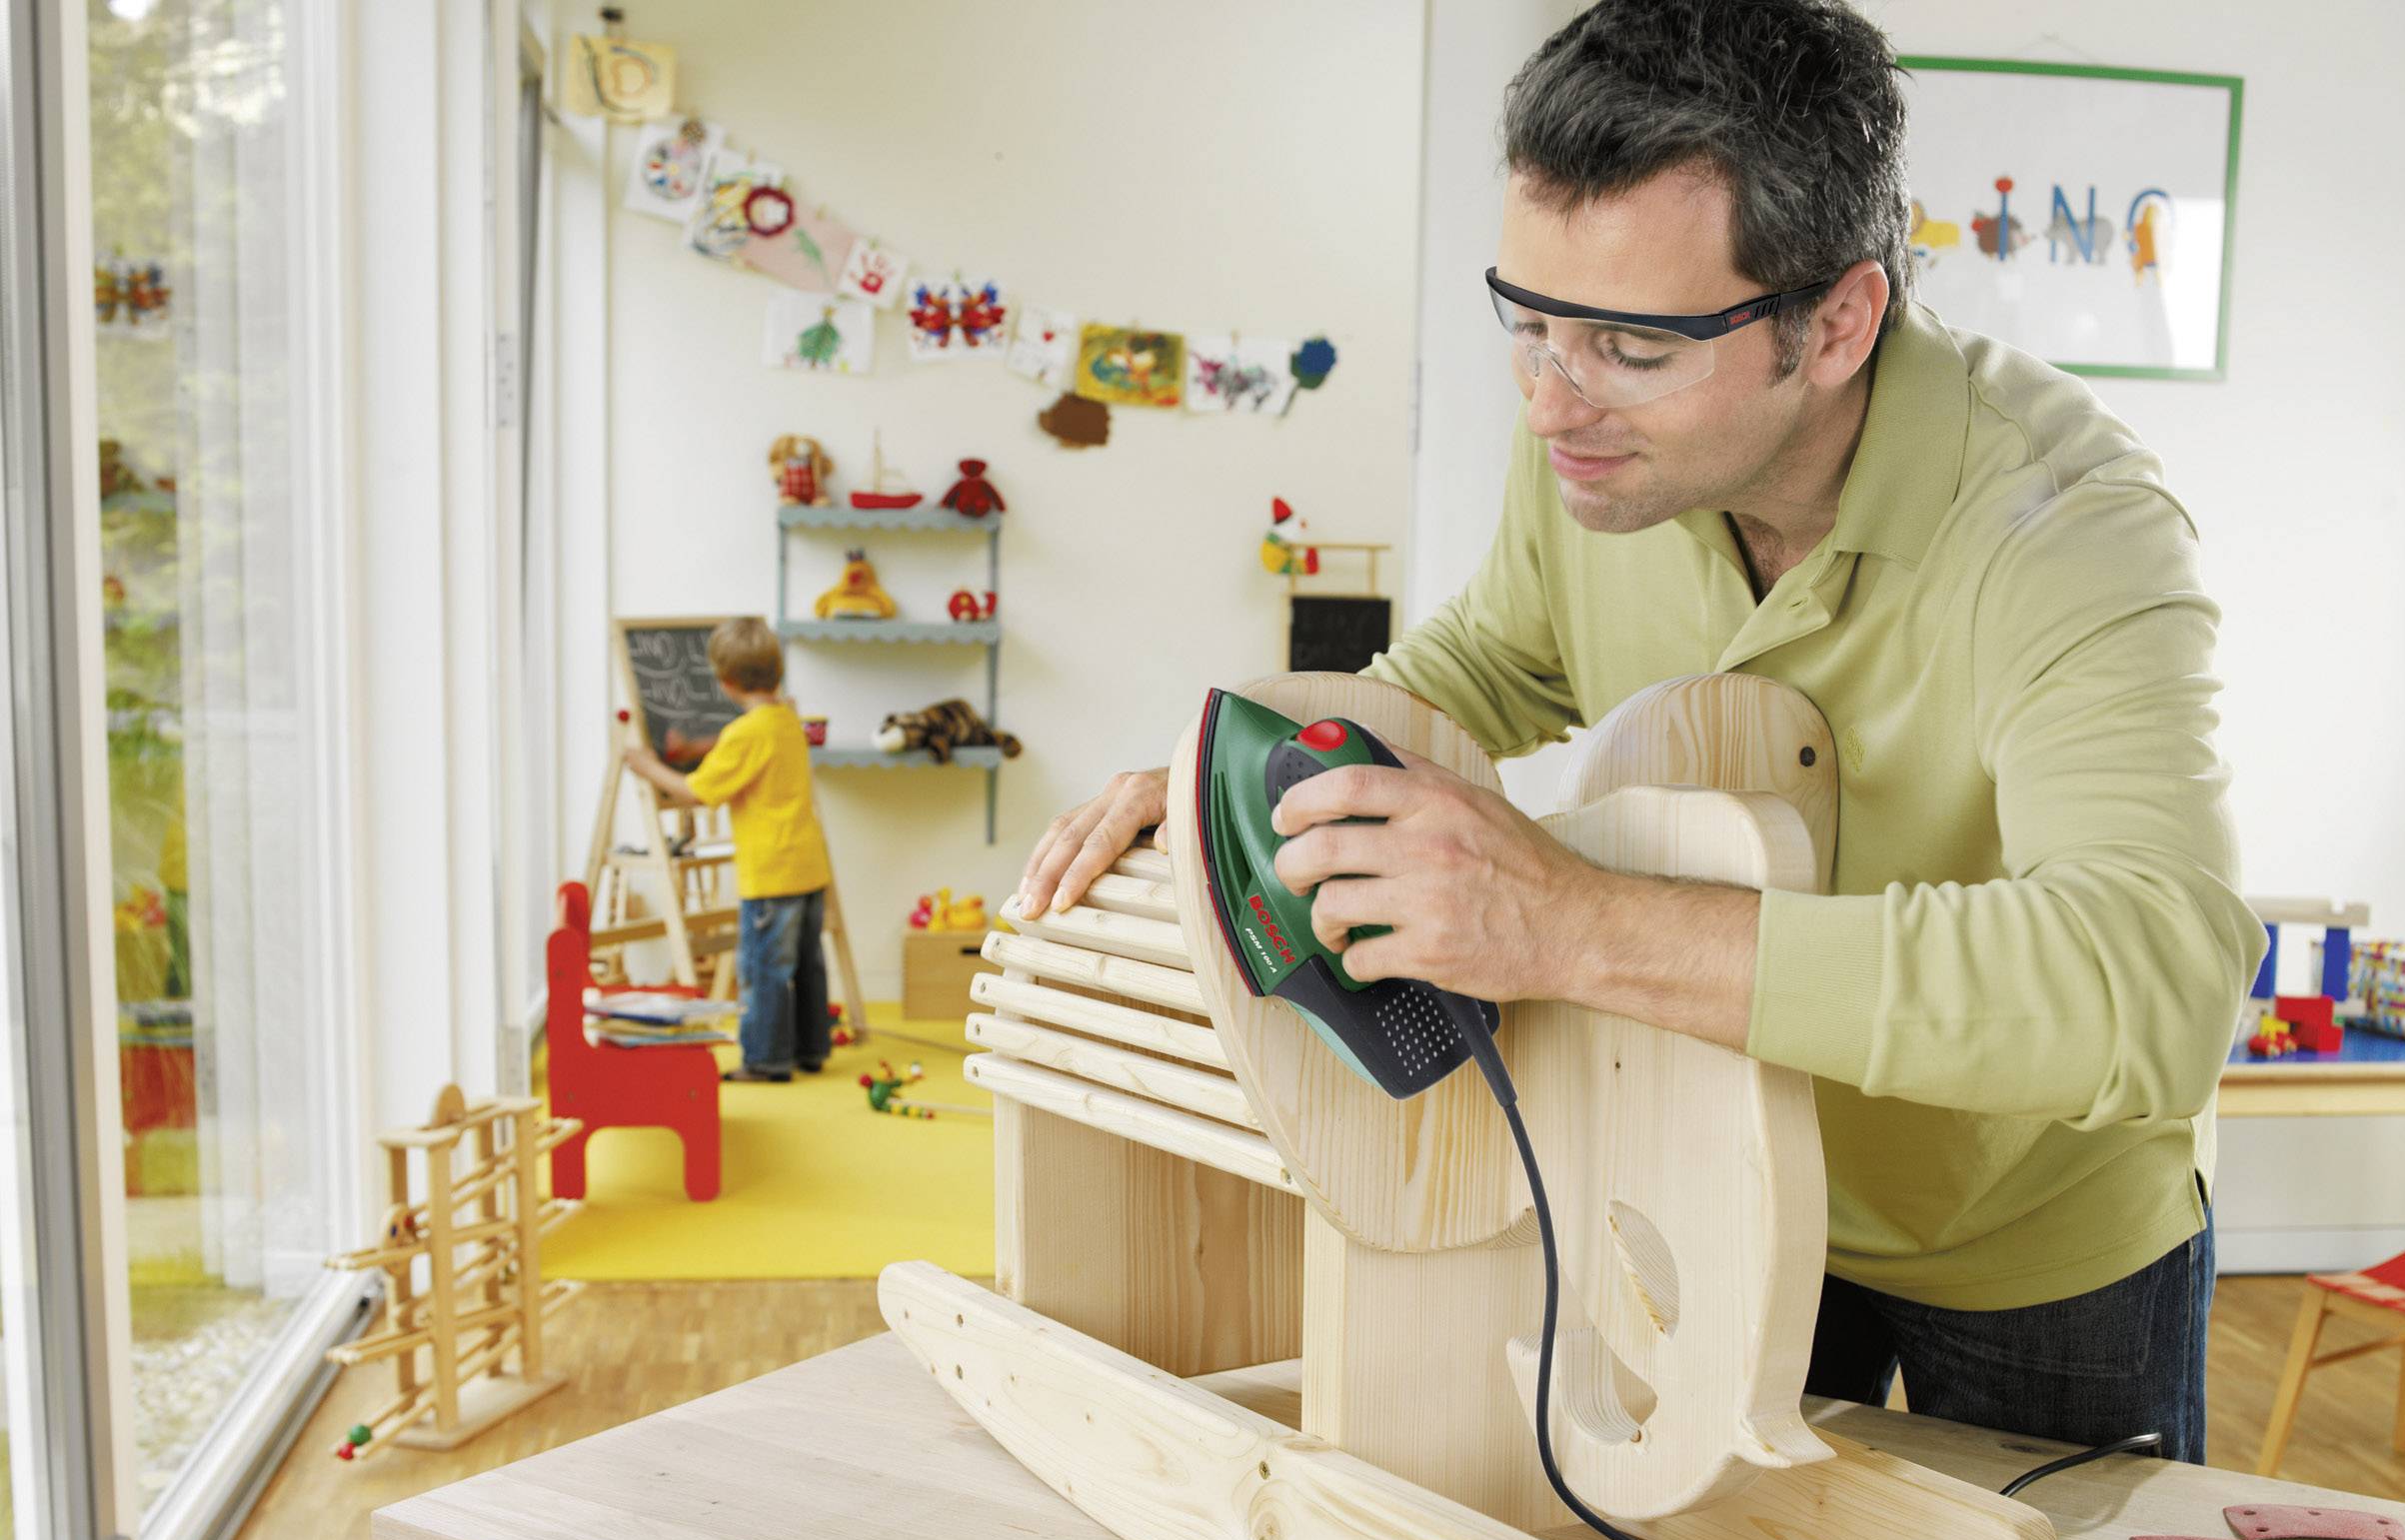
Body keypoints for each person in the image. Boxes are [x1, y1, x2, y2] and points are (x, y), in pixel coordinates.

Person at [1015, 0, 2264, 1463]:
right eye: (1529, 324)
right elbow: (1487, 660)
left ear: (1840, 322)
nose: (1549, 406)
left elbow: (2155, 986)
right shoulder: (1601, 458)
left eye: (1629, 345)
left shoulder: (2069, 528)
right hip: (1722, 1172)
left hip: (2037, 1242)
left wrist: (1574, 925)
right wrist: (1241, 768)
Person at [626, 617, 833, 1083]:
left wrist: (644, 766)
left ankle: (765, 1060)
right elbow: (742, 748)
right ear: (776, 672)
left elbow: (698, 792)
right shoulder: (784, 719)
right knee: (806, 965)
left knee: (764, 971)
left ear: (725, 682)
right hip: (806, 865)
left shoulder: (745, 733)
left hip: (771, 873)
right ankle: (810, 1048)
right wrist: (695, 745)